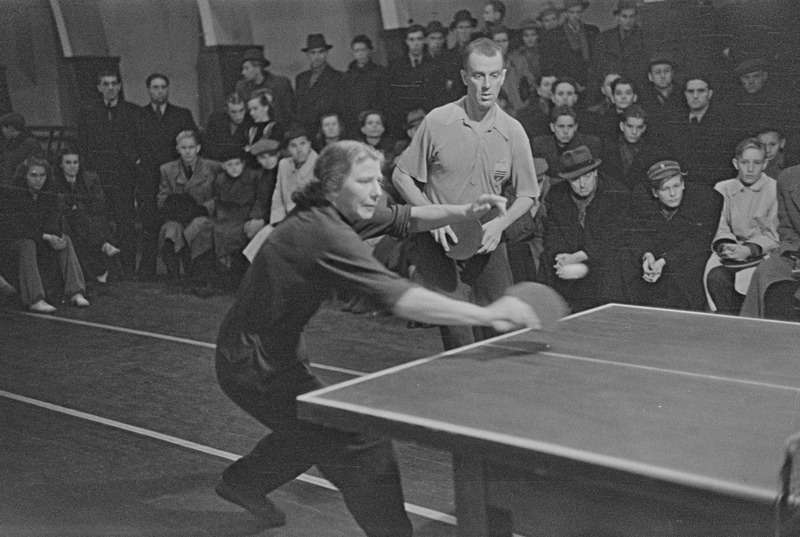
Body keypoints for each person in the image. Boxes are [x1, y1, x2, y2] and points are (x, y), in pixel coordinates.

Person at [214, 140, 540, 534]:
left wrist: (463, 211)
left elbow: (410, 217)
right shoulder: (322, 233)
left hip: (274, 352)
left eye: (377, 181)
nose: (376, 191)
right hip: (250, 364)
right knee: (360, 441)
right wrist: (487, 313)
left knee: (309, 431)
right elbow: (402, 298)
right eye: (364, 181)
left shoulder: (337, 211)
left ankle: (242, 484)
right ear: (333, 186)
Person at [392, 38, 539, 350]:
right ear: (464, 77)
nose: (486, 85)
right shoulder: (437, 121)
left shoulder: (513, 131)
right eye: (478, 75)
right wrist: (432, 217)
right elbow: (401, 176)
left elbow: (528, 194)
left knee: (502, 331)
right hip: (441, 243)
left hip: (487, 237)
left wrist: (500, 225)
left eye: (493, 75)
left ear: (503, 76)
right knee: (460, 339)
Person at [619, 160, 723, 310]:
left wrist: (664, 261)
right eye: (665, 189)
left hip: (684, 264)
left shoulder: (703, 202)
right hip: (656, 263)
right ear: (655, 193)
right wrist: (646, 255)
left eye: (676, 186)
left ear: (683, 184)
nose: (673, 194)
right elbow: (637, 233)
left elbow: (698, 242)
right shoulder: (642, 203)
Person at [543, 145, 629, 311]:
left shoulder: (617, 194)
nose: (582, 185)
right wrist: (560, 258)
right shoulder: (556, 195)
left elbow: (615, 238)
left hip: (606, 269)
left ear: (595, 172)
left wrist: (580, 258)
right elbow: (554, 235)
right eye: (575, 180)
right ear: (567, 180)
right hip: (571, 264)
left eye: (587, 176)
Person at [0, 157, 89, 313]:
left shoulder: (49, 194)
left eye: (42, 175)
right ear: (24, 176)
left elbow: (53, 220)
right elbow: (16, 228)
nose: (38, 180)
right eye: (33, 175)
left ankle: (75, 292)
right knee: (27, 244)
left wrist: (54, 236)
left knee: (64, 239)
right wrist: (46, 236)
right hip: (14, 242)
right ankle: (35, 299)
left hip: (40, 238)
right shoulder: (12, 194)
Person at [77, 69, 141, 279]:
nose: (110, 88)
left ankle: (128, 268)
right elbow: (83, 142)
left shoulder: (132, 111)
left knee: (125, 221)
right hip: (99, 175)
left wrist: (133, 161)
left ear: (120, 86)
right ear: (99, 88)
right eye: (106, 84)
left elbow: (137, 141)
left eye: (114, 83)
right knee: (99, 221)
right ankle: (103, 268)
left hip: (123, 176)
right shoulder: (88, 112)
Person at [704, 138, 779, 315]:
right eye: (745, 162)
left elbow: (774, 234)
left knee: (757, 281)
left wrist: (749, 250)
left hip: (762, 254)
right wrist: (726, 246)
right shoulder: (723, 188)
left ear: (765, 164)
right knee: (716, 277)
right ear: (736, 163)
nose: (750, 169)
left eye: (757, 163)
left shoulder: (774, 189)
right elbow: (720, 225)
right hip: (729, 252)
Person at [136, 73, 198, 279]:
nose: (160, 91)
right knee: (148, 221)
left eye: (163, 87)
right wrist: (138, 162)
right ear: (149, 90)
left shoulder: (182, 115)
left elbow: (192, 142)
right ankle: (147, 267)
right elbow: (129, 142)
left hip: (173, 176)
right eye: (155, 87)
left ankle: (182, 268)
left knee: (176, 219)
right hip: (148, 175)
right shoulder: (139, 115)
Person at [157, 130, 221, 282]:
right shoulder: (167, 169)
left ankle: (196, 271)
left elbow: (220, 197)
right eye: (183, 148)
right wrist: (177, 207)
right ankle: (174, 274)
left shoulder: (213, 168)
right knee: (170, 229)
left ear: (198, 148)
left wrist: (203, 208)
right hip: (178, 216)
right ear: (177, 149)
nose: (187, 152)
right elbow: (162, 198)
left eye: (191, 147)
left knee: (199, 226)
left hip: (203, 215)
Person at [741, 163, 800, 320]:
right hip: (796, 254)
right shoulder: (788, 178)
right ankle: (753, 331)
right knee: (765, 272)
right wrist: (794, 255)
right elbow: (787, 229)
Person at [51, 149, 120, 283]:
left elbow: (98, 203)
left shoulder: (88, 179)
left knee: (89, 219)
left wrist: (79, 208)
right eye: (68, 162)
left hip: (87, 219)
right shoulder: (55, 182)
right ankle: (103, 247)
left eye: (75, 162)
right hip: (67, 220)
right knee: (78, 222)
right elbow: (59, 206)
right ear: (61, 164)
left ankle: (102, 254)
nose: (72, 166)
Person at [600, 104, 669, 190]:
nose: (634, 132)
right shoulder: (607, 149)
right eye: (630, 126)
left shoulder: (653, 152)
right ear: (622, 126)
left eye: (639, 127)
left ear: (644, 128)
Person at [531, 105, 601, 183]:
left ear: (576, 127)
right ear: (552, 127)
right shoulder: (539, 144)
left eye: (570, 126)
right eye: (561, 126)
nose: (565, 131)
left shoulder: (590, 144)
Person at [540, 0, 599, 89]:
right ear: (566, 13)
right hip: (565, 85)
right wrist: (570, 82)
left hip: (591, 83)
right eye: (571, 12)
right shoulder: (554, 35)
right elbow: (550, 65)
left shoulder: (593, 31)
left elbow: (598, 59)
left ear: (583, 12)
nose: (575, 16)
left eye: (578, 12)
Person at [590, 0, 649, 90]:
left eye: (631, 16)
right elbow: (597, 67)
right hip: (612, 87)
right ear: (617, 17)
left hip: (636, 88)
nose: (628, 21)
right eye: (624, 16)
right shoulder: (604, 38)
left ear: (636, 17)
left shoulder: (644, 38)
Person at [295, 34, 344, 134]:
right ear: (308, 55)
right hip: (304, 132)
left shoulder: (338, 77)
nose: (317, 56)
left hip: (326, 131)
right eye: (313, 53)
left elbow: (341, 109)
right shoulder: (301, 78)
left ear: (326, 53)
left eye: (321, 52)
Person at [341, 34, 389, 134]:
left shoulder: (381, 73)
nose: (360, 53)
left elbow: (385, 99)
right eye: (357, 51)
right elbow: (345, 103)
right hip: (355, 124)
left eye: (363, 50)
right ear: (353, 52)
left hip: (376, 122)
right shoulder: (347, 77)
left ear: (369, 51)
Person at [270, 125, 318, 225]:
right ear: (288, 149)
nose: (299, 149)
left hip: (310, 222)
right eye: (293, 146)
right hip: (285, 220)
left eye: (302, 143)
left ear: (309, 144)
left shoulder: (320, 165)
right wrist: (277, 222)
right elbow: (278, 197)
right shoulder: (284, 164)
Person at [235, 48, 294, 128]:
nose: (243, 72)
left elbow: (289, 112)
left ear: (257, 68)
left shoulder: (280, 84)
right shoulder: (242, 87)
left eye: (246, 68)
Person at [202, 93, 252, 163]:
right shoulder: (215, 120)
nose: (238, 116)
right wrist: (240, 149)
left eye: (241, 111)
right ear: (227, 111)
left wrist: (225, 148)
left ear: (246, 109)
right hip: (218, 163)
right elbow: (209, 148)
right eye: (233, 112)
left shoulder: (251, 121)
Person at [245, 89, 284, 167]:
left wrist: (250, 149)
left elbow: (272, 147)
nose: (251, 113)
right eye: (250, 110)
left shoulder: (275, 127)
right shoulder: (250, 129)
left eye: (255, 108)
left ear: (266, 107)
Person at [0, 112, 42, 185]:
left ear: (11, 128)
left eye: (4, 127)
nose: (3, 130)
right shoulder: (8, 144)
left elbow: (33, 166)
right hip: (8, 184)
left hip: (20, 186)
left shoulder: (31, 143)